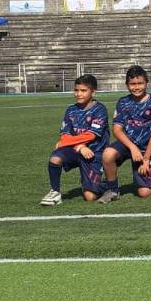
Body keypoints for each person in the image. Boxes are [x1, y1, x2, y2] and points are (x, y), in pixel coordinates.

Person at [39, 74, 109, 205]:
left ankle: (108, 185)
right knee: (55, 157)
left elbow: (91, 135)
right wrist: (79, 147)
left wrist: (67, 143)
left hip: (94, 153)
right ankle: (55, 192)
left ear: (93, 92)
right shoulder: (71, 110)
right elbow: (65, 135)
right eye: (76, 90)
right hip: (77, 150)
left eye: (83, 90)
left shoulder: (100, 110)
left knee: (90, 196)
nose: (78, 94)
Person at [99, 65, 151, 201]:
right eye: (132, 84)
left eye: (140, 83)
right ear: (127, 85)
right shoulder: (123, 102)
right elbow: (117, 129)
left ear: (147, 83)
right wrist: (132, 147)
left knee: (144, 193)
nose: (136, 87)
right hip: (128, 144)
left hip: (146, 148)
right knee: (108, 154)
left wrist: (146, 158)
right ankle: (112, 190)